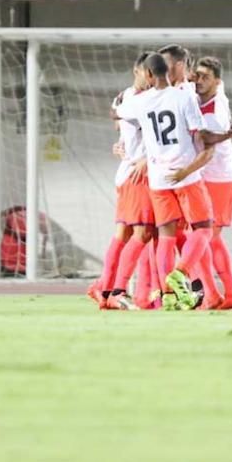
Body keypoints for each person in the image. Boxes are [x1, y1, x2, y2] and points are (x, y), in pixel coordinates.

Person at [114, 53, 232, 310]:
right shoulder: (184, 97)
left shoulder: (141, 101)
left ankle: (167, 296)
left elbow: (116, 113)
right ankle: (180, 274)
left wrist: (126, 129)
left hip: (158, 179)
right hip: (185, 174)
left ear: (147, 75)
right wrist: (228, 134)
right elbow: (202, 135)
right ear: (169, 71)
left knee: (166, 237)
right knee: (203, 228)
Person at [87, 52, 158, 311]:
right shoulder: (141, 99)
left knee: (126, 233)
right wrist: (138, 153)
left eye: (153, 73)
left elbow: (119, 124)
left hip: (132, 172)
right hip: (137, 175)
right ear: (136, 71)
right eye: (145, 72)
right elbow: (120, 122)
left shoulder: (125, 97)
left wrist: (122, 144)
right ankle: (115, 290)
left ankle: (104, 288)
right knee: (143, 233)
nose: (150, 78)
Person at [193, 57, 232, 309]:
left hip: (217, 178)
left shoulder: (214, 111)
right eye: (197, 75)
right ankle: (220, 293)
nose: (199, 81)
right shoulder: (210, 95)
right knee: (203, 237)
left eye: (205, 77)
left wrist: (228, 134)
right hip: (212, 177)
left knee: (203, 237)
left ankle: (220, 293)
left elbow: (208, 139)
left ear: (217, 82)